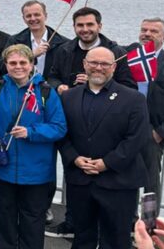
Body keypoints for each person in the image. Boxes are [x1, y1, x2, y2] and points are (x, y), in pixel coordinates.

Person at [0, 44, 67, 249]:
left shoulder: (45, 92)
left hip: (36, 171)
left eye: (23, 62)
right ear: (5, 65)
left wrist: (31, 132)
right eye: (12, 63)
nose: (18, 67)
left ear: (32, 64)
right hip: (3, 168)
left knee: (32, 221)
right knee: (3, 218)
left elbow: (59, 127)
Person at [59, 46, 148, 249]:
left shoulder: (134, 99)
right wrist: (74, 158)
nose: (98, 68)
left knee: (117, 240)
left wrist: (106, 163)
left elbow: (137, 138)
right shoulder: (68, 97)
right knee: (82, 238)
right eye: (93, 63)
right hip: (80, 181)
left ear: (114, 67)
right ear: (85, 65)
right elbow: (61, 134)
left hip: (118, 182)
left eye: (105, 64)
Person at [49, 7, 134, 94]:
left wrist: (97, 83)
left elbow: (129, 87)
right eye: (80, 25)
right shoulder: (63, 50)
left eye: (90, 25)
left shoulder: (117, 53)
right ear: (74, 27)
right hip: (70, 104)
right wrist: (58, 86)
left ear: (99, 26)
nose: (85, 29)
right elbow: (52, 77)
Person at [135, 18, 164, 207]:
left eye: (153, 31)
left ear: (163, 37)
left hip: (152, 133)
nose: (147, 34)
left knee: (150, 185)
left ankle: (149, 227)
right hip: (126, 129)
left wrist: (160, 133)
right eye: (144, 30)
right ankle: (128, 222)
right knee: (123, 179)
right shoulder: (129, 58)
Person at [6, 0, 69, 78]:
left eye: (37, 15)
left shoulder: (63, 43)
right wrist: (31, 55)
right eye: (28, 16)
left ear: (45, 16)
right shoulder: (14, 41)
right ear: (24, 18)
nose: (33, 18)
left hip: (52, 87)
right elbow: (3, 65)